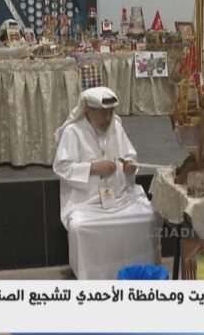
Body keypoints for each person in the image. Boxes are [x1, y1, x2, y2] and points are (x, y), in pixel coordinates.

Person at [53, 87, 160, 279]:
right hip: (87, 203)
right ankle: (93, 278)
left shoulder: (115, 126)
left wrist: (130, 166)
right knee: (79, 226)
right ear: (88, 110)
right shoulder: (73, 132)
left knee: (147, 217)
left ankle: (139, 273)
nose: (108, 118)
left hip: (120, 197)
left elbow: (130, 154)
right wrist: (93, 168)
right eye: (103, 113)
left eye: (111, 112)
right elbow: (62, 167)